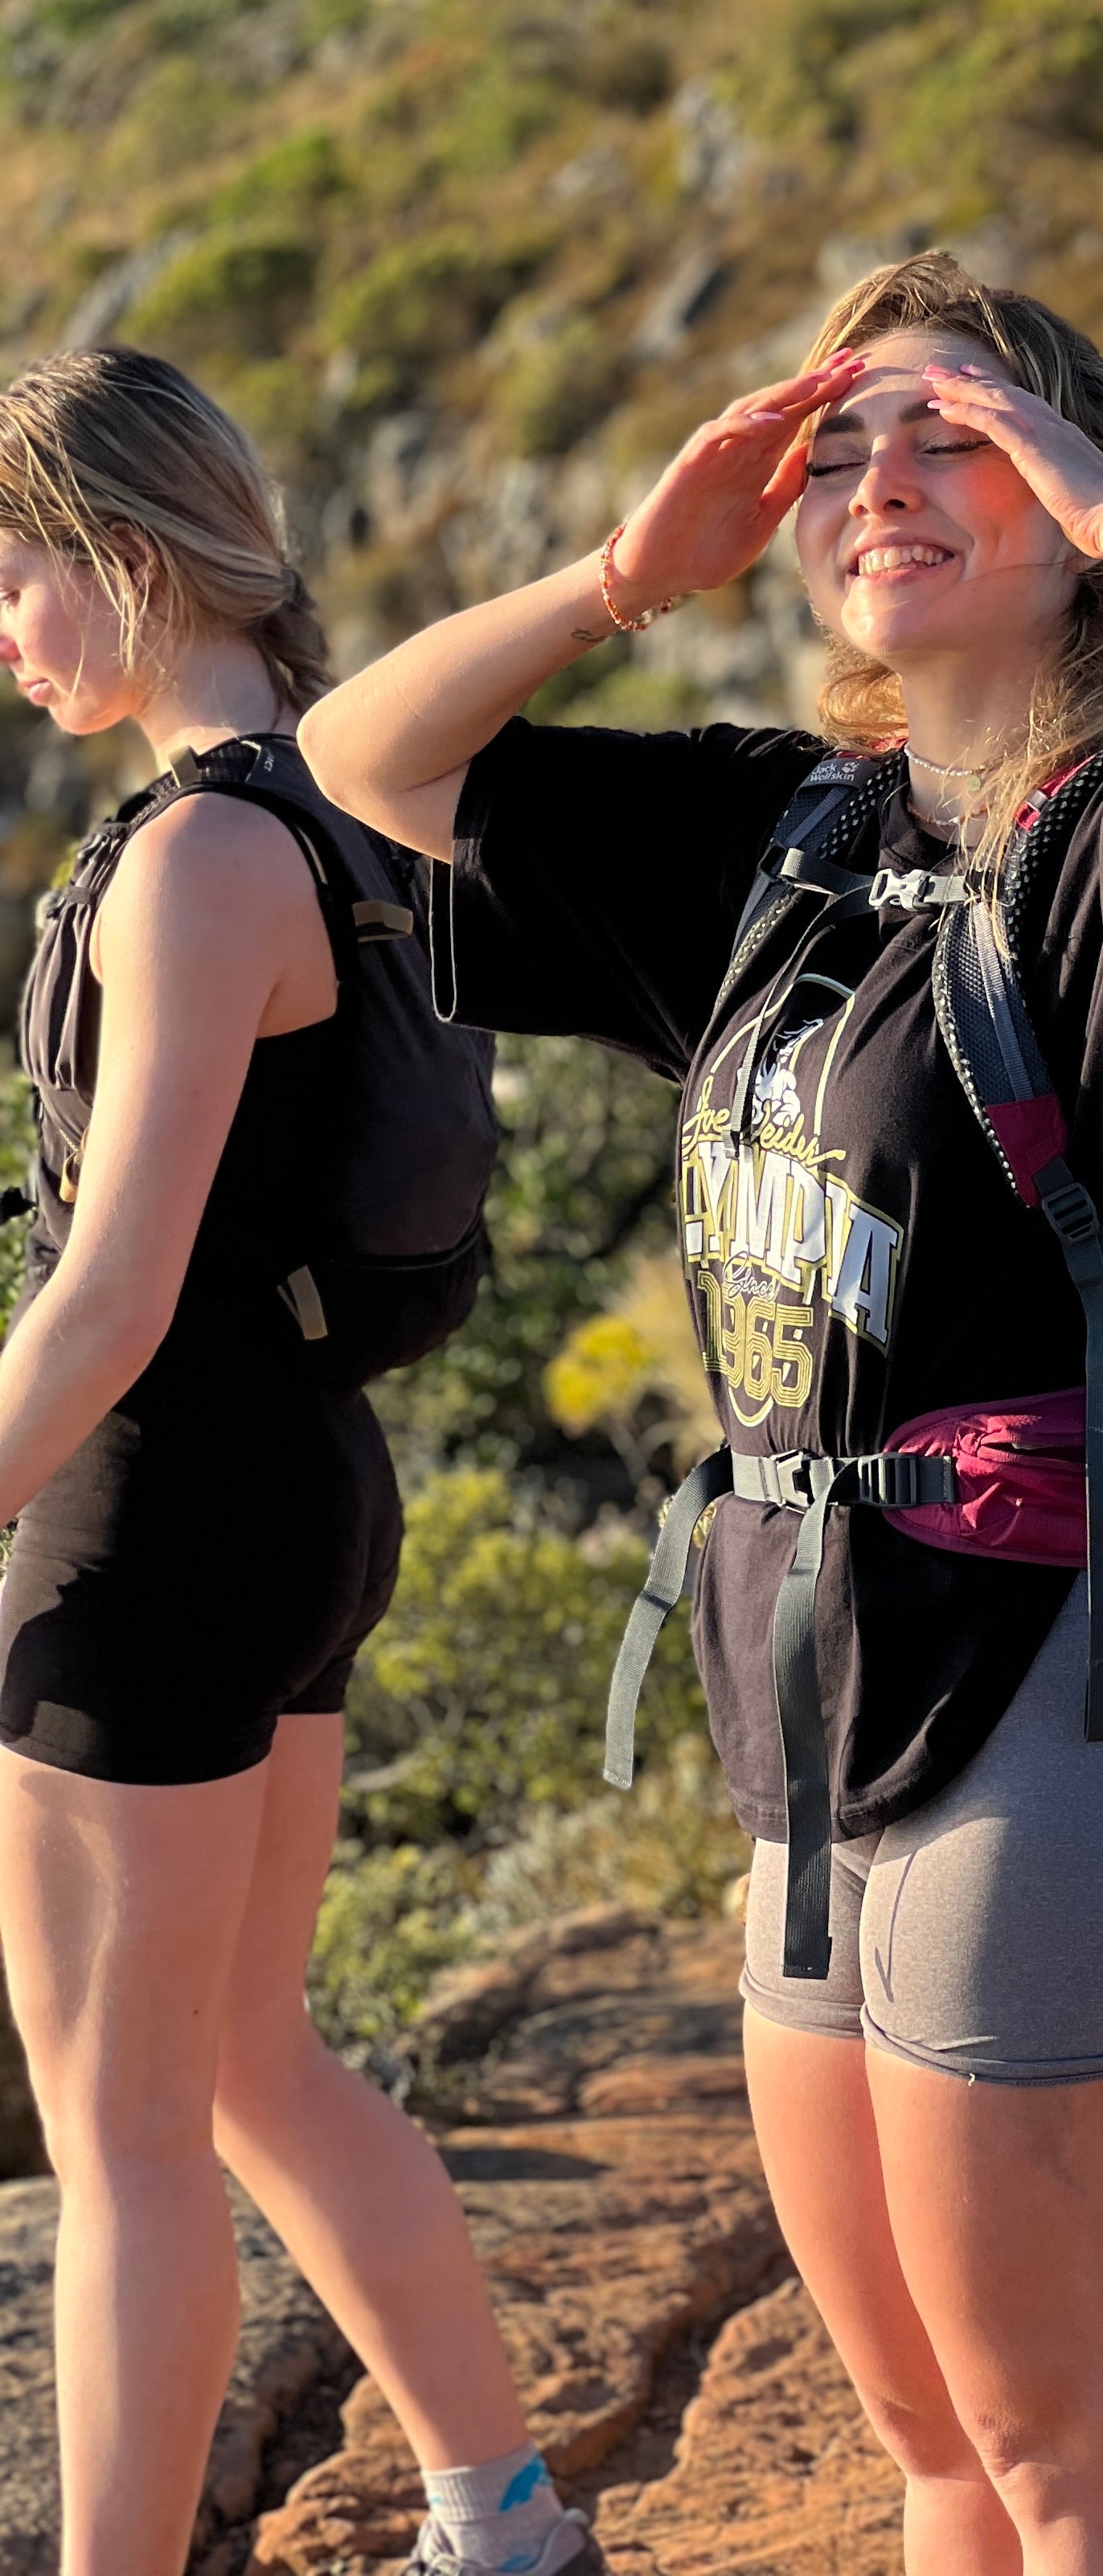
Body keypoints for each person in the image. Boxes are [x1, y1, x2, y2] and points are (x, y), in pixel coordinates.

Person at [299, 252, 1103, 2574]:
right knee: (930, 2447)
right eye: (840, 449)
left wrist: (1086, 487)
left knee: (1080, 2460)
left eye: (947, 436)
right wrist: (619, 578)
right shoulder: (778, 830)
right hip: (807, 1684)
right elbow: (365, 768)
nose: (883, 481)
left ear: (1067, 484)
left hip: (1072, 1695)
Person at [0, 350, 598, 2576]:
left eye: (20, 580)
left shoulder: (194, 862)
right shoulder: (358, 811)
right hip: (311, 1497)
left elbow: (109, 1296)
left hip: (153, 1512)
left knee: (121, 2136)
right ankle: (504, 2518)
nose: (6, 632)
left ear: (128, 563)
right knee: (254, 2064)